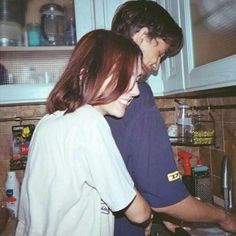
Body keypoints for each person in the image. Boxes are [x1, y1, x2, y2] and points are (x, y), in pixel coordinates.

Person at [106, 1, 236, 236]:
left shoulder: (99, 91)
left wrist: (162, 212)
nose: (155, 67)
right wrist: (224, 217)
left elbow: (123, 169)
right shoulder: (135, 94)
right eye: (160, 53)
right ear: (144, 35)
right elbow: (165, 196)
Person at [15, 29, 152, 236]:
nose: (136, 91)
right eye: (126, 77)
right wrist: (149, 215)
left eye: (137, 79)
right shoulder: (89, 123)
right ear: (89, 73)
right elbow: (138, 213)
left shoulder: (48, 122)